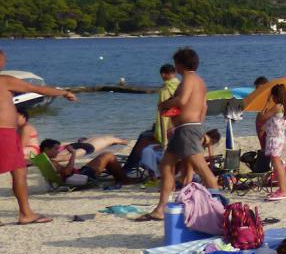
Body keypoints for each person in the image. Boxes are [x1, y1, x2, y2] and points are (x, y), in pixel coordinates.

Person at [137, 47, 219, 221]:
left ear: (180, 64)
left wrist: (164, 105)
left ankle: (220, 210)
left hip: (187, 129)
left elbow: (181, 101)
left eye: (176, 63)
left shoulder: (188, 79)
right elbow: (203, 106)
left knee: (203, 170)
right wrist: (197, 125)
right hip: (189, 127)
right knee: (166, 165)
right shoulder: (200, 81)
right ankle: (161, 208)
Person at [0, 49, 78, 224]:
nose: (4, 63)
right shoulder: (4, 81)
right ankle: (26, 213)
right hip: (4, 132)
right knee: (19, 171)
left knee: (19, 170)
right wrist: (64, 93)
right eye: (3, 59)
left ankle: (26, 213)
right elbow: (36, 89)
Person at [38, 139, 140, 187]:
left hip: (79, 174)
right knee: (108, 155)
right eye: (55, 149)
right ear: (47, 149)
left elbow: (64, 173)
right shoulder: (52, 162)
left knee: (105, 157)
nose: (58, 151)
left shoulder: (45, 160)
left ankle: (120, 177)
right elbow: (67, 172)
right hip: (82, 177)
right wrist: (73, 153)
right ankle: (124, 179)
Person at [256, 83, 286, 201]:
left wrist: (266, 103)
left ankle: (283, 190)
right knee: (278, 163)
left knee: (276, 164)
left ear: (275, 96)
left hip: (275, 139)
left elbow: (261, 118)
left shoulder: (277, 107)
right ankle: (284, 187)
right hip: (278, 137)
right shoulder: (285, 107)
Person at [252, 76, 270, 152]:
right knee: (263, 146)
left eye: (259, 89)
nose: (258, 91)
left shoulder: (271, 97)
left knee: (269, 147)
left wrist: (265, 126)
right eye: (256, 89)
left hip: (267, 123)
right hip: (260, 122)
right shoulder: (260, 97)